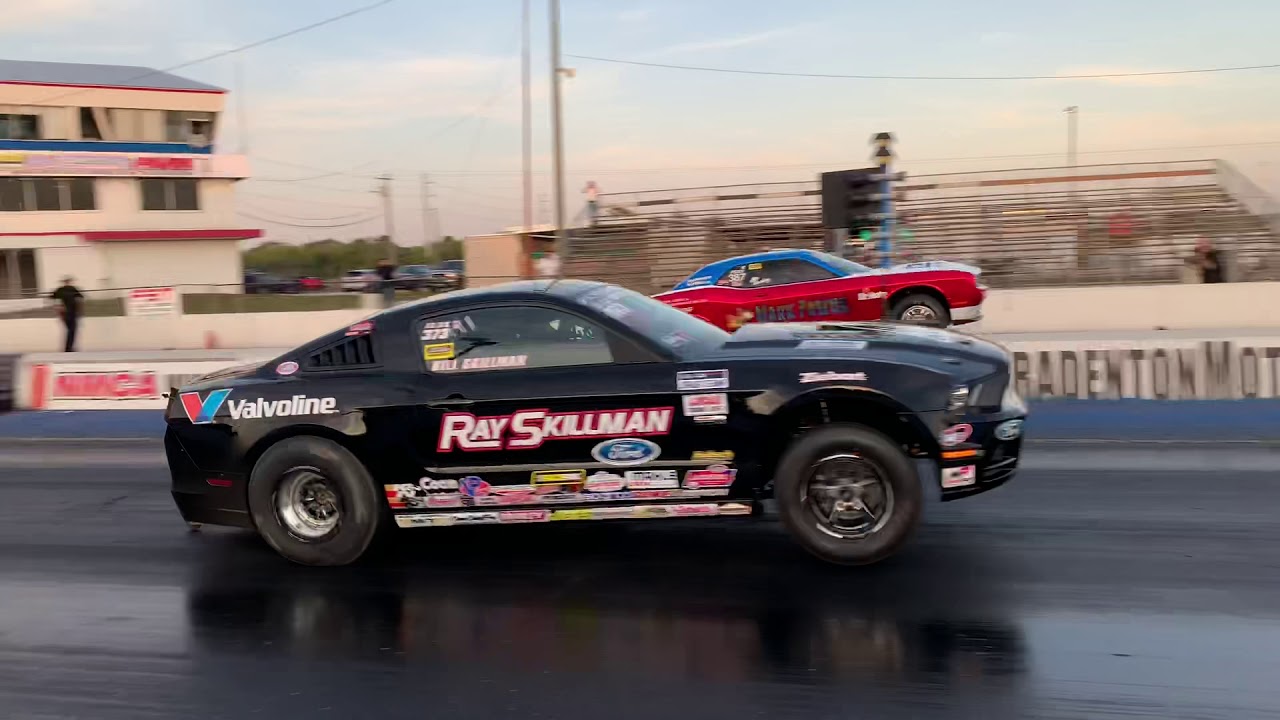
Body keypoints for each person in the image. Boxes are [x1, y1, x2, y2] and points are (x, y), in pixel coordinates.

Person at [50, 276, 84, 352]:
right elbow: (52, 298)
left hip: (71, 312)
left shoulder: (70, 289)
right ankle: (68, 348)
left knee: (71, 330)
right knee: (71, 330)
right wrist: (58, 306)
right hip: (67, 312)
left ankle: (69, 347)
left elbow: (80, 297)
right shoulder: (64, 290)